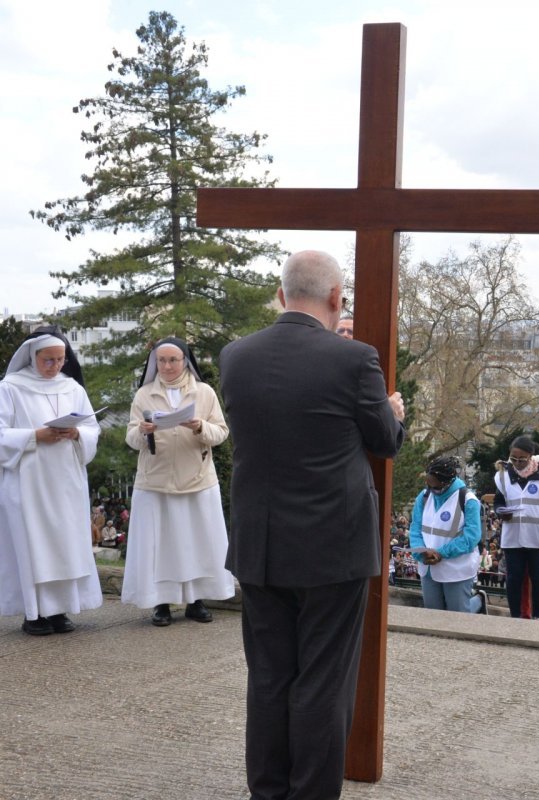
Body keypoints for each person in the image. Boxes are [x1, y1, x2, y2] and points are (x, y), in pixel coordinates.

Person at [219, 250, 406, 800]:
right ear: (335, 298)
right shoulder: (354, 361)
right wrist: (392, 411)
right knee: (324, 682)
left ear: (281, 295)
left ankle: (269, 792)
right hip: (332, 547)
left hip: (261, 543)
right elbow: (384, 441)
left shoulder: (236, 356)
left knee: (270, 678)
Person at [122, 338, 235, 626]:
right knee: (161, 546)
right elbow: (131, 438)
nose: (168, 366)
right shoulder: (144, 394)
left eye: (174, 360)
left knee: (196, 544)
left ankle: (196, 601)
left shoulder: (205, 392)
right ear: (154, 363)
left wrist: (199, 426)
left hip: (197, 480)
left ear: (185, 361)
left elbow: (221, 432)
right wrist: (143, 431)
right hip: (155, 482)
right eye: (162, 361)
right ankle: (160, 603)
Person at [0, 328, 102, 635]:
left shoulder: (72, 387)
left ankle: (60, 610)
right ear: (33, 357)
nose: (54, 366)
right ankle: (33, 613)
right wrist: (34, 435)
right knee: (34, 544)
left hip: (66, 479)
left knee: (65, 543)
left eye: (60, 360)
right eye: (48, 360)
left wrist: (77, 433)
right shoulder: (10, 387)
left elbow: (91, 427)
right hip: (28, 479)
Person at [407, 455, 484, 614]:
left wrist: (441, 553)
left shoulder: (468, 500)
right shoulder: (424, 496)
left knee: (457, 615)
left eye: (435, 487)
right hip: (428, 566)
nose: (431, 489)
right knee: (433, 614)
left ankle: (478, 602)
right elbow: (416, 527)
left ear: (447, 482)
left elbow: (471, 537)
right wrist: (420, 552)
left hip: (457, 567)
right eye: (428, 483)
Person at [492, 435, 539, 619]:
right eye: (513, 459)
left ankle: (537, 615)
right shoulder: (503, 475)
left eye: (522, 459)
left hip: (538, 538)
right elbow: (498, 501)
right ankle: (515, 615)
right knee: (514, 578)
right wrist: (500, 512)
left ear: (531, 456)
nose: (517, 463)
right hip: (512, 537)